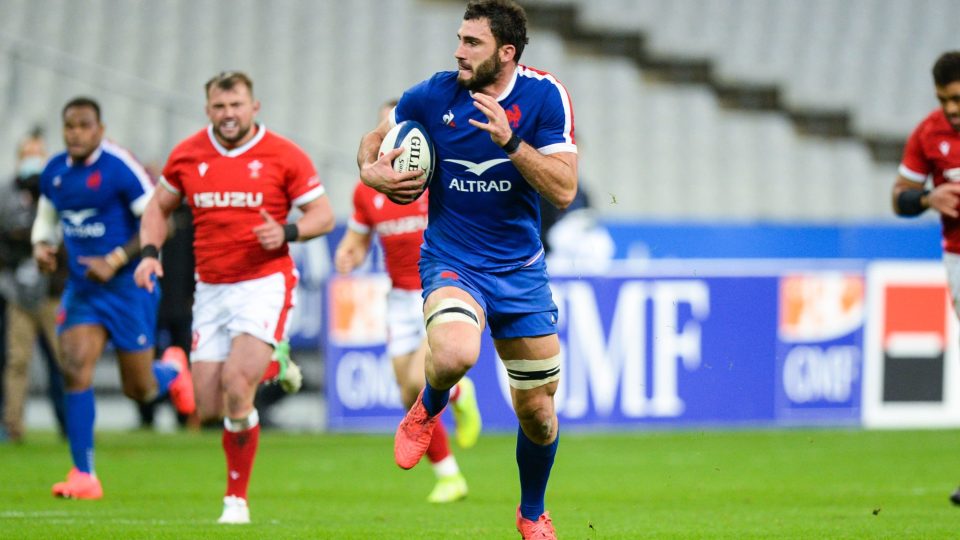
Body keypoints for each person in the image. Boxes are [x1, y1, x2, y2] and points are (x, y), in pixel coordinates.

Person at [357, 2, 577, 537]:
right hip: (453, 258)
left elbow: (564, 189)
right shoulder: (432, 95)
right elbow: (375, 140)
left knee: (540, 414)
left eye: (472, 43)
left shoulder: (546, 96)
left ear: (506, 53)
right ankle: (426, 408)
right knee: (455, 352)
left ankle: (531, 513)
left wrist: (510, 142)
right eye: (459, 38)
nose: (458, 50)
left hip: (520, 270)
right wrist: (372, 173)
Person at [134, 71, 334, 524]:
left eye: (236, 106)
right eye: (220, 107)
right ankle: (273, 362)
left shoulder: (284, 155)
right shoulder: (187, 154)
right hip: (211, 289)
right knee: (208, 407)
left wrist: (285, 231)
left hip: (263, 282)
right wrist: (149, 254)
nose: (228, 115)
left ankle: (235, 501)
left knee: (238, 387)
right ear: (208, 110)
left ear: (254, 106)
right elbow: (157, 208)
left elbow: (321, 214)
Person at [31, 97, 196, 499]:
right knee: (74, 366)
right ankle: (84, 474)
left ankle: (172, 368)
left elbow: (160, 221)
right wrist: (42, 246)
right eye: (69, 126)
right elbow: (47, 220)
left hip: (128, 288)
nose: (75, 133)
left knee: (138, 388)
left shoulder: (119, 167)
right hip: (84, 290)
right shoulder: (54, 173)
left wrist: (117, 258)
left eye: (84, 125)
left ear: (100, 130)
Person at [336, 100, 483, 503]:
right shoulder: (369, 189)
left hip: (440, 288)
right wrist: (349, 252)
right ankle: (449, 475)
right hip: (399, 298)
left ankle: (456, 391)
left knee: (422, 380)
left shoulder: (439, 177)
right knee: (407, 394)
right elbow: (358, 237)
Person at [891, 51, 960, 507]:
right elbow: (898, 198)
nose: (951, 109)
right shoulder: (928, 132)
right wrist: (928, 198)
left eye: (957, 99)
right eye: (944, 100)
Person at [0, 129, 67, 442]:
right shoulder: (6, 194)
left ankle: (71, 427)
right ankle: (12, 426)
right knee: (16, 361)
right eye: (28, 153)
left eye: (37, 153)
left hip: (53, 292)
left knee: (64, 363)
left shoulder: (58, 191)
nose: (32, 160)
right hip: (18, 291)